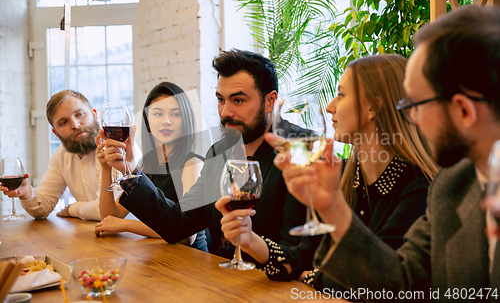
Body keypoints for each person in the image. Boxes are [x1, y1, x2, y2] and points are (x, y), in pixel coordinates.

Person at [271, 5, 500, 302]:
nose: (411, 119)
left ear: (463, 111)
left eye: (416, 104)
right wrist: (332, 208)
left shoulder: (425, 182)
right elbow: (399, 286)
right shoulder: (453, 187)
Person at [215, 54, 438, 291]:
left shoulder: (418, 186)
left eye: (341, 94)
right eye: (220, 99)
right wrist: (250, 241)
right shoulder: (349, 176)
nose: (330, 107)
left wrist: (316, 278)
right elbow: (302, 259)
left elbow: (388, 286)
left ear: (373, 107)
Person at [102, 49, 307, 258]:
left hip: (272, 284)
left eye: (238, 100)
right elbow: (178, 224)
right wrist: (129, 170)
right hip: (218, 278)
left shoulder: (301, 149)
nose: (225, 112)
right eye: (221, 99)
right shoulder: (220, 151)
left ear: (270, 101)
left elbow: (297, 253)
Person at [95, 82, 208, 251]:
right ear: (148, 121)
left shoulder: (192, 164)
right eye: (158, 114)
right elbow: (110, 218)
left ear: (186, 120)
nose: (166, 121)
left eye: (175, 114)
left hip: (191, 260)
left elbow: (186, 235)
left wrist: (126, 225)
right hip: (160, 256)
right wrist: (106, 169)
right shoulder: (147, 163)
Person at [1, 90, 103, 220]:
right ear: (56, 134)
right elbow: (43, 207)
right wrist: (27, 192)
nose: (75, 125)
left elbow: (106, 211)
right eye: (64, 122)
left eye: (80, 114)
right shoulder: (61, 154)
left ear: (94, 115)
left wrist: (71, 209)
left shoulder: (117, 147)